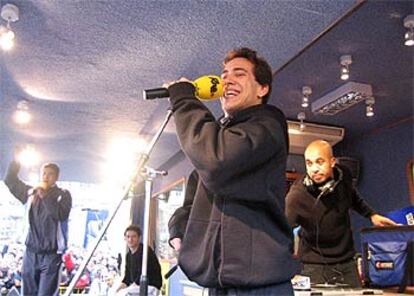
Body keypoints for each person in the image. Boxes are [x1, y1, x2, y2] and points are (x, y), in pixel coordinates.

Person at [165, 47, 300, 296]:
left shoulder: (267, 126)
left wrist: (185, 101)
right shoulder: (223, 135)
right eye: (225, 74)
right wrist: (178, 230)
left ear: (262, 89)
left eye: (239, 74)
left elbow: (217, 160)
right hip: (221, 284)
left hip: (261, 287)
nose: (227, 79)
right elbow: (193, 200)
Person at [285, 139, 397, 288]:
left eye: (319, 162)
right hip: (314, 266)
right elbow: (282, 229)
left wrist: (371, 215)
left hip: (347, 262)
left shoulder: (344, 176)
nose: (314, 169)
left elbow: (353, 197)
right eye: (309, 163)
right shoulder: (297, 196)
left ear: (332, 162)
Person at [4, 158, 72, 296]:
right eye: (44, 173)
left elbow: (60, 214)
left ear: (56, 177)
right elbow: (10, 181)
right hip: (31, 252)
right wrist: (17, 161)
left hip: (51, 254)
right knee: (28, 292)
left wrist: (45, 196)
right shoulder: (31, 192)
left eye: (50, 174)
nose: (46, 177)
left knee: (45, 293)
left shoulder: (63, 194)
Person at [115, 225, 162, 296]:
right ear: (125, 238)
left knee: (124, 293)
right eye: (128, 237)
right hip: (137, 287)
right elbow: (127, 278)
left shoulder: (145, 251)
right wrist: (116, 291)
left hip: (151, 287)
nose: (130, 239)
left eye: (133, 236)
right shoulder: (128, 255)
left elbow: (140, 276)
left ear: (139, 238)